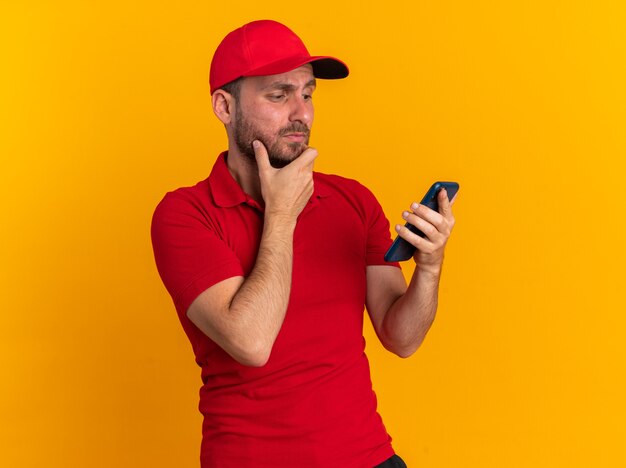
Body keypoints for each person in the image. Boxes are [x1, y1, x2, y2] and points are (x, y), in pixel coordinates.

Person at [151, 19, 456, 468]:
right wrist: (280, 215)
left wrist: (429, 267)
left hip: (369, 458)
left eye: (307, 93)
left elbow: (402, 337)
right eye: (279, 95)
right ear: (224, 106)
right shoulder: (185, 214)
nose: (303, 113)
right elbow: (251, 343)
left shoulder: (352, 200)